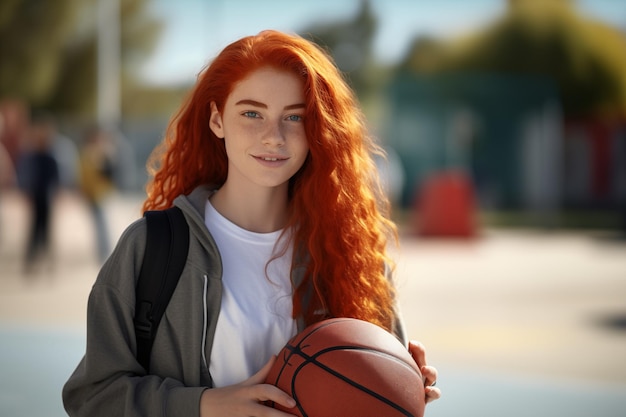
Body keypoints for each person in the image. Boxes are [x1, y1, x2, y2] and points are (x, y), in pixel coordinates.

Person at [63, 30, 441, 416]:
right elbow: (92, 398)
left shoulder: (349, 249)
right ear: (216, 120)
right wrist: (204, 405)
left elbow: (373, 400)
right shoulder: (152, 247)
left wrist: (400, 385)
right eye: (251, 114)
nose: (274, 137)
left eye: (294, 117)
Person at [78, 125, 116, 263]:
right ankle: (102, 251)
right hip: (94, 194)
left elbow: (108, 172)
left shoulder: (100, 152)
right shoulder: (90, 153)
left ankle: (105, 251)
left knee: (102, 224)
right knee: (100, 224)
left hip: (100, 194)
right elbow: (84, 175)